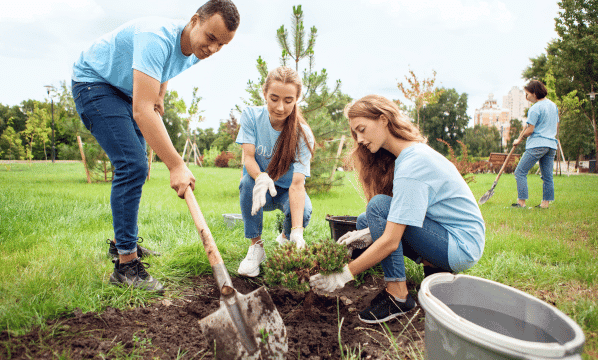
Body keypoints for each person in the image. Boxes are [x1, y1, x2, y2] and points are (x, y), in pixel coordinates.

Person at [71, 0, 240, 292]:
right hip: (94, 82)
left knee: (136, 167)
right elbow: (142, 110)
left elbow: (166, 68)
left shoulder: (195, 49)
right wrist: (176, 165)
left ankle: (121, 244)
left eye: (221, 45)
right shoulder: (156, 38)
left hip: (122, 89)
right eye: (211, 38)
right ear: (194, 20)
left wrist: (161, 90)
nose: (213, 49)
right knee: (132, 164)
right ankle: (125, 266)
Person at [309, 95, 485, 324]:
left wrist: (343, 275)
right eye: (355, 134)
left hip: (460, 246)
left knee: (378, 208)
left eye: (362, 129)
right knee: (365, 220)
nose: (359, 139)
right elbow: (412, 210)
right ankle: (435, 273)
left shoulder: (414, 163)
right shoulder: (409, 154)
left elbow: (391, 240)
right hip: (450, 237)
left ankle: (398, 295)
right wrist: (368, 232)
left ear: (383, 120)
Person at [235, 66, 315, 277]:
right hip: (259, 189)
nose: (280, 107)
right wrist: (260, 177)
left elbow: (297, 185)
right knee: (246, 183)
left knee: (304, 211)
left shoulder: (302, 134)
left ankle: (286, 238)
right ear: (264, 94)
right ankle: (256, 247)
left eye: (288, 100)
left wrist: (297, 231)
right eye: (274, 98)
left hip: (287, 191)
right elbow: (249, 157)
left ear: (297, 99)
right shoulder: (251, 116)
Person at [512, 80, 559, 209]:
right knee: (547, 176)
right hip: (551, 144)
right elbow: (555, 125)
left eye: (527, 94)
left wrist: (518, 140)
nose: (526, 97)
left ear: (534, 93)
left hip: (537, 144)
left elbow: (530, 130)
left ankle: (521, 203)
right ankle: (545, 204)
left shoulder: (535, 108)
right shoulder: (553, 106)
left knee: (520, 172)